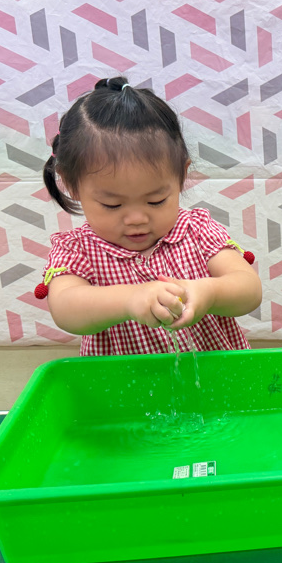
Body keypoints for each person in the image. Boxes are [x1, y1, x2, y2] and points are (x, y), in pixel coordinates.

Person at [38, 76, 262, 356]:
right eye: (112, 205)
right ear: (71, 185)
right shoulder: (77, 250)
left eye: (156, 201)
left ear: (181, 176)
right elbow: (65, 309)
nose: (136, 219)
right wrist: (130, 299)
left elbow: (249, 289)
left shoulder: (196, 230)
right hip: (124, 381)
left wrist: (209, 293)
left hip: (214, 376)